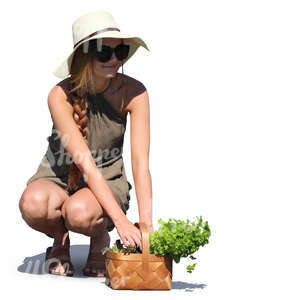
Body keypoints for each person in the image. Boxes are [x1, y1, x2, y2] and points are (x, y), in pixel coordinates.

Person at [18, 10, 154, 277]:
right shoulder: (60, 95)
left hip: (107, 177)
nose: (114, 60)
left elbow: (140, 163)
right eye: (104, 53)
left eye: (121, 51)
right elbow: (84, 163)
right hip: (59, 175)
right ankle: (60, 239)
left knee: (79, 212)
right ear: (84, 56)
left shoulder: (135, 93)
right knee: (32, 203)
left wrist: (145, 223)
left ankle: (99, 239)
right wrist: (122, 222)